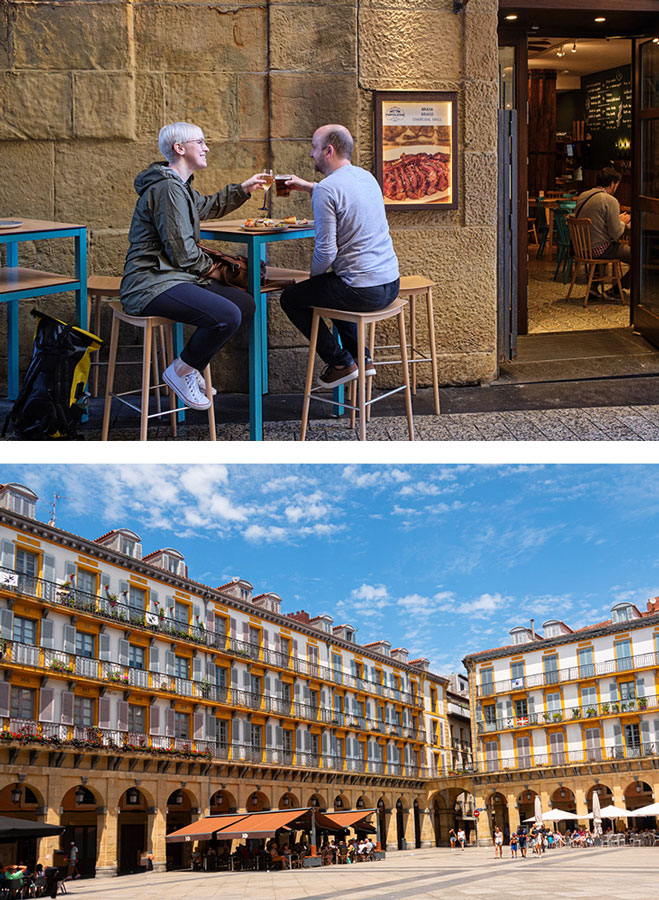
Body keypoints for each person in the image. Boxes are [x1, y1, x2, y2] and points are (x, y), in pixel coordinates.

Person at [121, 122, 266, 411]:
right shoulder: (167, 189)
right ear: (180, 148)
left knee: (245, 304)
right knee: (226, 315)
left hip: (173, 277)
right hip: (150, 283)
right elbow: (184, 253)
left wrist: (243, 189)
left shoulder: (179, 188)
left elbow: (207, 206)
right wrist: (216, 268)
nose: (206, 147)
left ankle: (190, 365)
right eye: (199, 142)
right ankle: (180, 371)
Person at [279, 124, 400, 388]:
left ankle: (340, 363)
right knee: (333, 288)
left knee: (291, 298)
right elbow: (342, 195)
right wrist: (308, 186)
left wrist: (313, 280)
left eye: (314, 147)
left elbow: (326, 251)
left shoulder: (327, 190)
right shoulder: (366, 176)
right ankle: (362, 358)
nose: (311, 154)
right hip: (391, 284)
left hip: (364, 292)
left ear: (328, 150)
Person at [574, 167, 631, 300]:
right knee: (639, 258)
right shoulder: (610, 200)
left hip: (580, 248)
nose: (616, 188)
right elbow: (616, 233)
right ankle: (616, 290)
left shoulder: (583, 195)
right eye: (616, 185)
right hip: (597, 250)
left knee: (605, 241)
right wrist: (622, 221)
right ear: (612, 184)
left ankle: (593, 288)